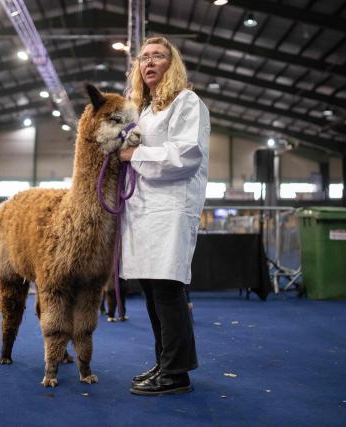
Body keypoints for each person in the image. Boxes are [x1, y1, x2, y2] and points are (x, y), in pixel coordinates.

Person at [118, 36, 210, 396]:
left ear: (172, 64)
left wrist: (133, 157)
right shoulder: (144, 109)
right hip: (143, 210)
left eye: (158, 56)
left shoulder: (187, 102)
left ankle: (177, 372)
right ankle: (165, 361)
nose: (150, 62)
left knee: (169, 290)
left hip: (171, 208)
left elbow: (186, 155)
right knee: (153, 291)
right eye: (144, 58)